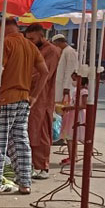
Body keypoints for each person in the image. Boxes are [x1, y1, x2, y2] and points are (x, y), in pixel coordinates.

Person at [0, 18, 49, 195]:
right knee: (21, 141)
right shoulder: (30, 46)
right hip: (23, 99)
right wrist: (34, 95)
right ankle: (25, 183)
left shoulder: (5, 44)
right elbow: (45, 72)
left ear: (0, 30)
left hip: (4, 99)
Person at [25, 25, 61, 179]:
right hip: (29, 94)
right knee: (28, 130)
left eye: (32, 39)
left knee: (40, 131)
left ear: (41, 36)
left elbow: (42, 74)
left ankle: (42, 166)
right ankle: (30, 164)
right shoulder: (33, 49)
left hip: (43, 96)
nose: (30, 42)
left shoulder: (51, 51)